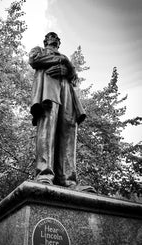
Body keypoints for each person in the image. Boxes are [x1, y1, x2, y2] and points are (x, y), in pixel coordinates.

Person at [29, 32, 95, 192]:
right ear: (45, 41)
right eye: (50, 36)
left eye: (55, 37)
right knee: (47, 130)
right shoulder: (39, 50)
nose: (52, 38)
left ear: (59, 42)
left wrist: (68, 69)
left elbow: (74, 77)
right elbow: (34, 60)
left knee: (69, 132)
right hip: (48, 91)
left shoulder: (65, 62)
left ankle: (69, 180)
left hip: (67, 92)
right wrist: (64, 60)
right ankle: (44, 175)